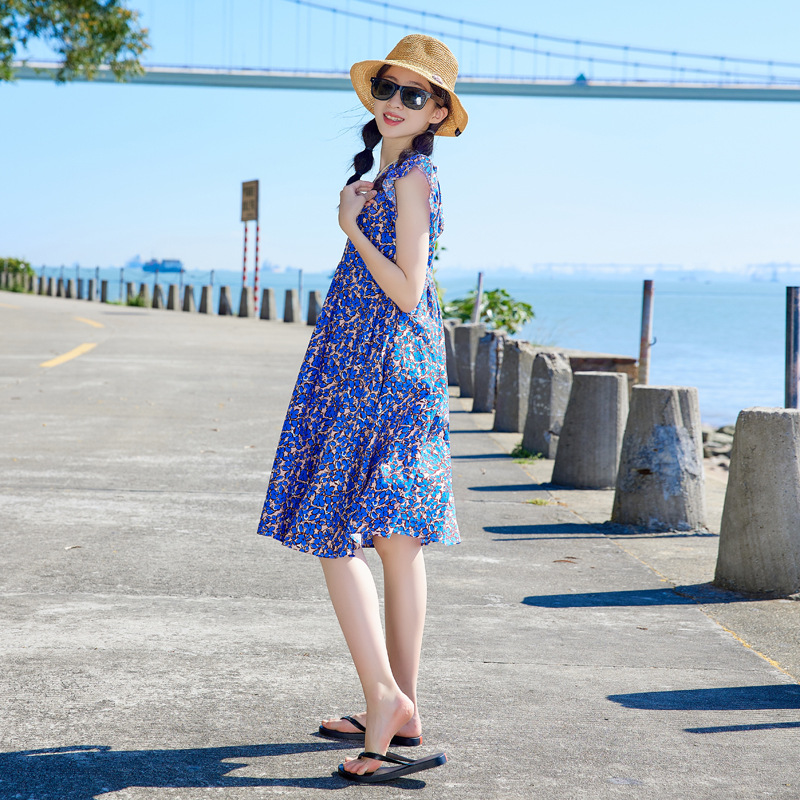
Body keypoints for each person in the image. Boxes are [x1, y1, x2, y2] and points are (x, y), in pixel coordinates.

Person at [257, 33, 468, 784]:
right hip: (379, 366)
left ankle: (383, 699)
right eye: (389, 88)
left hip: (379, 369)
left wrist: (348, 228)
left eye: (416, 95)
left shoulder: (410, 181)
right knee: (396, 540)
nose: (396, 103)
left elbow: (409, 291)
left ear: (439, 112)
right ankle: (401, 707)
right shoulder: (393, 173)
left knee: (331, 531)